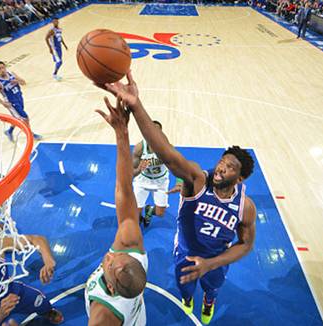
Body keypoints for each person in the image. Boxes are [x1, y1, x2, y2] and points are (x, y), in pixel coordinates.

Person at [99, 72, 257, 325]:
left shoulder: (245, 207)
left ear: (239, 179)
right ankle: (189, 299)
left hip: (216, 260)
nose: (220, 168)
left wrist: (211, 263)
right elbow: (168, 154)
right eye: (221, 162)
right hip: (184, 253)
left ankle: (208, 300)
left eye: (229, 168)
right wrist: (137, 106)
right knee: (185, 292)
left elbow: (245, 244)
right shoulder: (197, 180)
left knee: (211, 289)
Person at [85, 96, 147, 325]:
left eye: (109, 265)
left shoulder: (102, 316)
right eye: (117, 256)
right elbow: (124, 188)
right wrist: (122, 132)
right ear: (136, 259)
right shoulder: (131, 245)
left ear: (110, 287)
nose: (110, 256)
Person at [0, 61, 42, 142]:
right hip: (11, 103)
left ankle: (9, 131)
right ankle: (30, 135)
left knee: (17, 118)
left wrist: (17, 81)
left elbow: (24, 82)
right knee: (25, 118)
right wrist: (3, 103)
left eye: (3, 67)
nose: (2, 70)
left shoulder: (11, 73)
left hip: (19, 98)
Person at [132, 120, 170, 227]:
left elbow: (179, 166)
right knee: (136, 216)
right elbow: (131, 173)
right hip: (142, 181)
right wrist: (139, 169)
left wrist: (179, 181)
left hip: (160, 182)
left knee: (160, 213)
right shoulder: (139, 148)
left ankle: (149, 211)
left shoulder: (167, 148)